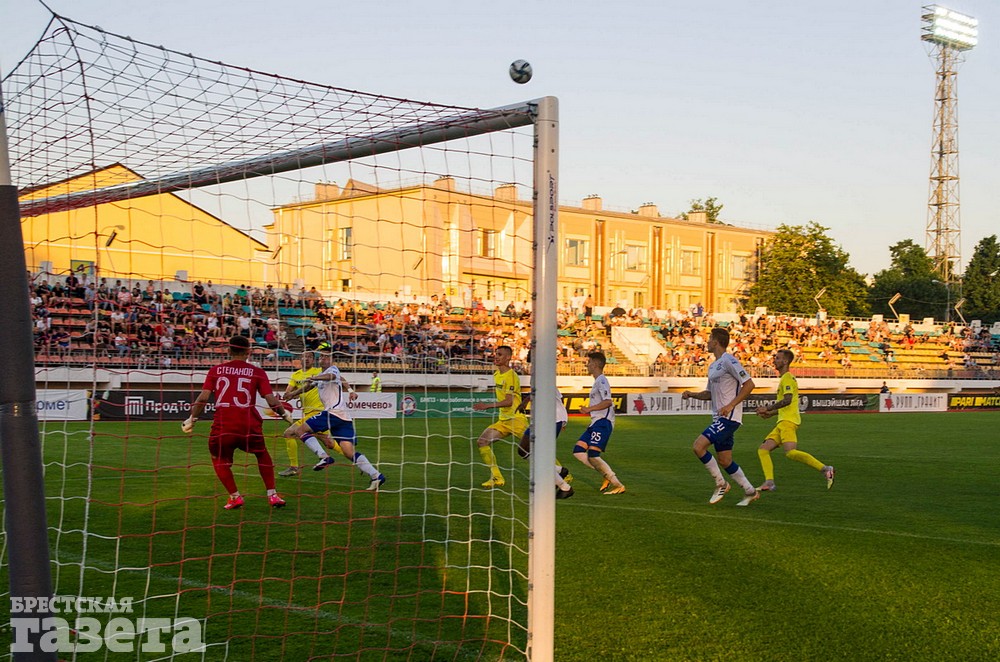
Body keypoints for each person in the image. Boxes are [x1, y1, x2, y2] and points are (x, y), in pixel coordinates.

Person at [182, 335, 292, 510]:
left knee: (218, 458)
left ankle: (235, 496)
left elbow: (203, 397)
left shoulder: (216, 371)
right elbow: (271, 400)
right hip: (249, 424)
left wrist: (192, 418)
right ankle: (272, 495)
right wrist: (285, 415)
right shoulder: (257, 372)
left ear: (228, 351)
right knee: (262, 454)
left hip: (224, 425)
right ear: (248, 352)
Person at [284, 352, 386, 491]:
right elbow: (308, 387)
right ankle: (377, 476)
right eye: (321, 357)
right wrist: (292, 394)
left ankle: (324, 457)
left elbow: (331, 376)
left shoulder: (332, 370)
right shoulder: (322, 374)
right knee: (348, 452)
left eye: (326, 357)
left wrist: (315, 377)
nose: (323, 359)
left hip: (332, 413)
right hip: (342, 418)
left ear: (331, 359)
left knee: (299, 430)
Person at [682, 327, 759, 506]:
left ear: (716, 342)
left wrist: (731, 405)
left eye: (709, 339)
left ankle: (721, 484)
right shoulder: (713, 366)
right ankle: (750, 490)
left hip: (729, 418)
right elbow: (709, 394)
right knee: (725, 460)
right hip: (719, 418)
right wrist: (691, 394)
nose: (707, 342)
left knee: (698, 446)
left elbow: (749, 384)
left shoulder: (729, 360)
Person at [755, 349, 835, 491]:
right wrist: (770, 414)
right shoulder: (785, 378)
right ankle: (769, 482)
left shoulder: (787, 378)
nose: (775, 360)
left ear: (785, 361)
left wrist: (767, 408)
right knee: (763, 450)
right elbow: (786, 405)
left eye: (778, 358)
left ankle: (825, 469)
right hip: (782, 422)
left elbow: (787, 400)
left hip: (788, 422)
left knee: (790, 452)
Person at [471, 345, 529, 488]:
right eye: (496, 354)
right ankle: (497, 477)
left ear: (508, 358)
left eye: (500, 354)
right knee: (482, 441)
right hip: (503, 421)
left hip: (516, 420)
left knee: (536, 448)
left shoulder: (511, 375)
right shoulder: (497, 374)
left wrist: (487, 406)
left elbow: (509, 402)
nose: (496, 356)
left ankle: (563, 474)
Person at [515, 358, 574, 499]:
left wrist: (561, 419)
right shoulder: (537, 376)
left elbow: (553, 397)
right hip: (541, 420)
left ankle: (565, 487)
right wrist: (525, 402)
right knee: (522, 450)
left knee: (541, 456)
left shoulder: (544, 375)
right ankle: (559, 470)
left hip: (550, 420)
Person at [277, 353, 339, 477]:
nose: (307, 358)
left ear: (313, 360)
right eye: (304, 356)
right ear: (300, 359)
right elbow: (289, 391)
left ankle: (294, 467)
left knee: (289, 433)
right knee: (329, 443)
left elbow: (335, 377)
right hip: (308, 413)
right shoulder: (296, 375)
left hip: (318, 411)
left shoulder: (318, 371)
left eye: (310, 356)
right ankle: (357, 458)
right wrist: (289, 395)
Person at [572, 351, 626, 495]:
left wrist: (589, 409)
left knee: (593, 455)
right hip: (595, 422)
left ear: (595, 364)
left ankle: (618, 484)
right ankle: (606, 475)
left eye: (589, 362)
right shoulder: (597, 381)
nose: (587, 364)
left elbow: (608, 402)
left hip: (603, 422)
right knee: (578, 451)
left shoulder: (602, 380)